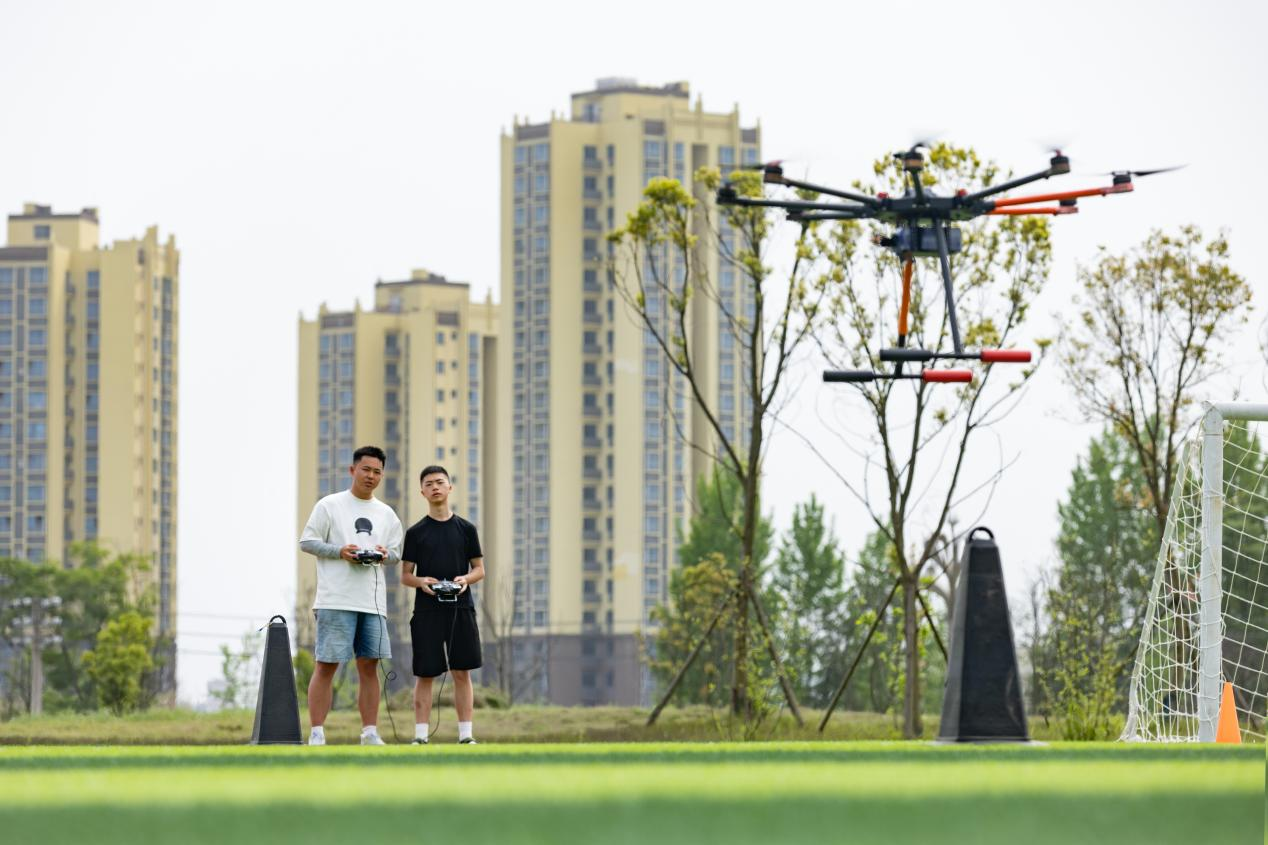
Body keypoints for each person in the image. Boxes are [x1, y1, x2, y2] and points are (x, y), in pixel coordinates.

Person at [298, 445, 403, 746]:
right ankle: (317, 733)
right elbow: (307, 542)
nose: (371, 476)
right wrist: (340, 552)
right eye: (366, 469)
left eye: (377, 472)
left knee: (369, 667)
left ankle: (369, 732)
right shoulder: (330, 505)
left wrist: (384, 554)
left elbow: (396, 553)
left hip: (372, 602)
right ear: (352, 470)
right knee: (326, 665)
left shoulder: (387, 514)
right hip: (335, 599)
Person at [401, 465, 485, 744]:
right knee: (425, 673)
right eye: (429, 484)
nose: (435, 487)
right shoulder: (415, 533)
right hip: (426, 611)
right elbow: (405, 576)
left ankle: (466, 736)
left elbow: (479, 570)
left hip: (461, 608)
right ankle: (421, 737)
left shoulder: (467, 529)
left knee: (462, 672)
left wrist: (465, 580)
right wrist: (422, 581)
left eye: (440, 482)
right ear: (422, 492)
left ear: (450, 487)